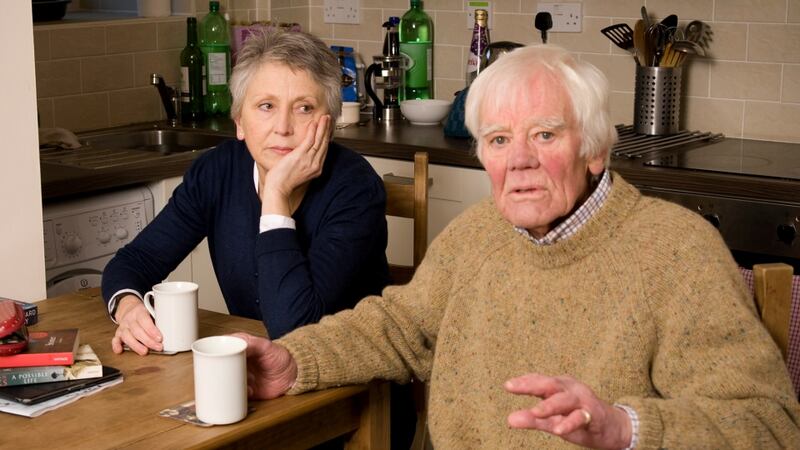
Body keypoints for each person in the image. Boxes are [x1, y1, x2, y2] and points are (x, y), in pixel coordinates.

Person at [232, 45, 800, 448]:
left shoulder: (677, 252)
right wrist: (296, 360)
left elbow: (767, 427)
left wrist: (625, 428)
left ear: (596, 148)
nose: (520, 159)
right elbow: (398, 328)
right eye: (500, 140)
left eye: (545, 135)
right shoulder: (475, 235)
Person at [101, 30, 390, 354]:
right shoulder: (217, 171)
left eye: (304, 108)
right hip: (254, 369)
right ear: (239, 121)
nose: (283, 127)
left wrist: (275, 195)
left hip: (352, 388)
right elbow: (135, 261)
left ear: (330, 123)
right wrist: (128, 308)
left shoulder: (355, 189)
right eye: (266, 105)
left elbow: (294, 329)